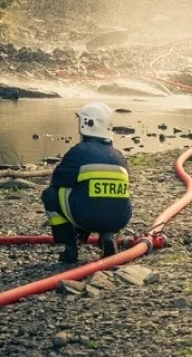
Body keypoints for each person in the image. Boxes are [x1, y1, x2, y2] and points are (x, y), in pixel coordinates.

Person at [42, 102, 132, 263]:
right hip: (120, 218)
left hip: (87, 217)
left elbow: (57, 181)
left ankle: (70, 247)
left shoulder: (79, 152)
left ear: (87, 124)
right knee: (99, 198)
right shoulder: (118, 155)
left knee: (50, 195)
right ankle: (108, 236)